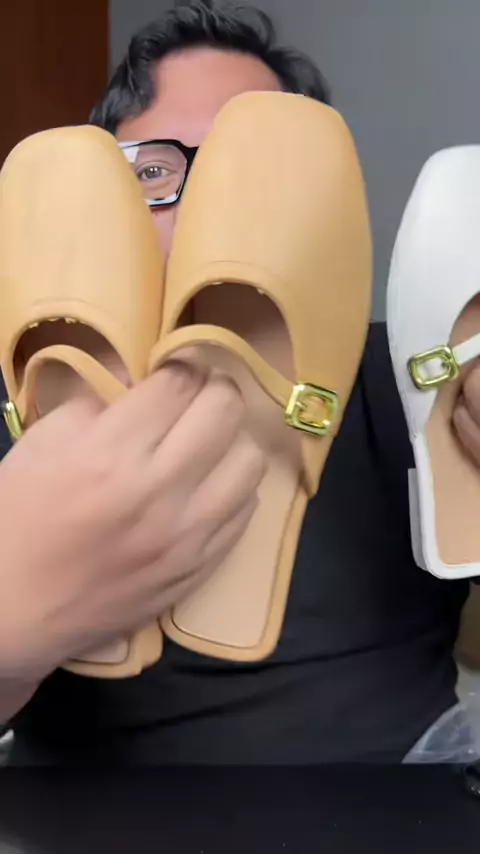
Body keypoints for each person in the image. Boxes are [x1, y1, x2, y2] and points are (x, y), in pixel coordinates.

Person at [1, 0, 480, 765]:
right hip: (70, 804)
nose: (208, 201)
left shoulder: (405, 371)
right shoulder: (16, 404)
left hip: (396, 792)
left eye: (250, 171)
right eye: (155, 171)